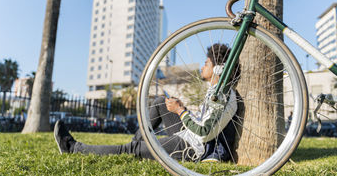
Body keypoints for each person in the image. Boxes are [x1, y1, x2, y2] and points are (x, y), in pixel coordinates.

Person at [54, 43, 241, 162]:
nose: (202, 66)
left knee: (132, 149)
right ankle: (137, 147)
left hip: (192, 148)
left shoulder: (223, 96)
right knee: (161, 101)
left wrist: (181, 111)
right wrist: (181, 110)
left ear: (219, 68)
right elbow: (203, 122)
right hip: (187, 135)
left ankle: (73, 148)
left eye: (207, 63)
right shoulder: (216, 92)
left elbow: (204, 132)